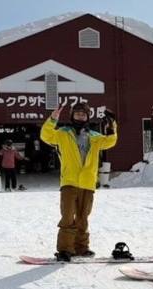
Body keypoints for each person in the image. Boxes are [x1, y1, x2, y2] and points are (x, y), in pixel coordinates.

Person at [40, 102, 118, 261]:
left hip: (87, 182)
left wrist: (112, 124)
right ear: (72, 116)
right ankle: (65, 250)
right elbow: (46, 135)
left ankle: (81, 248)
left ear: (88, 117)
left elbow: (110, 141)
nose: (80, 116)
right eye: (77, 114)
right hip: (69, 181)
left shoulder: (95, 137)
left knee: (83, 217)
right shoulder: (63, 133)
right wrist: (53, 118)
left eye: (83, 114)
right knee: (68, 216)